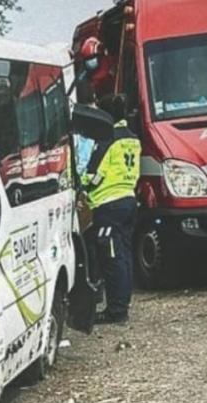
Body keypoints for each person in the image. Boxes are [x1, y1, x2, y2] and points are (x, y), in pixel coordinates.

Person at [81, 94, 141, 325]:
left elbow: (95, 174)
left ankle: (116, 311)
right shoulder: (132, 138)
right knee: (124, 256)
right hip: (128, 199)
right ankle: (122, 305)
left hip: (108, 204)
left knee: (112, 258)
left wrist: (81, 184)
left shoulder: (107, 139)